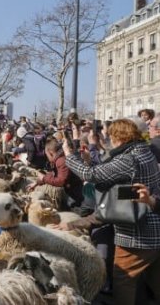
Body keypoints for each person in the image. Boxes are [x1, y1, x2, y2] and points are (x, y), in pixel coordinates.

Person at [63, 118, 160, 304]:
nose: (109, 138)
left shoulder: (128, 159)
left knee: (124, 280)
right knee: (155, 283)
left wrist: (70, 156)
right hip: (154, 226)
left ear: (120, 137)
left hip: (136, 235)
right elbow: (121, 184)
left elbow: (91, 175)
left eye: (111, 135)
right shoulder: (145, 152)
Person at [28, 138, 85, 212]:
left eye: (46, 154)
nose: (47, 157)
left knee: (75, 212)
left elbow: (61, 181)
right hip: (74, 191)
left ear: (50, 152)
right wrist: (38, 182)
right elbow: (54, 174)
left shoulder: (61, 161)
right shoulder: (60, 158)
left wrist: (44, 179)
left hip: (76, 193)